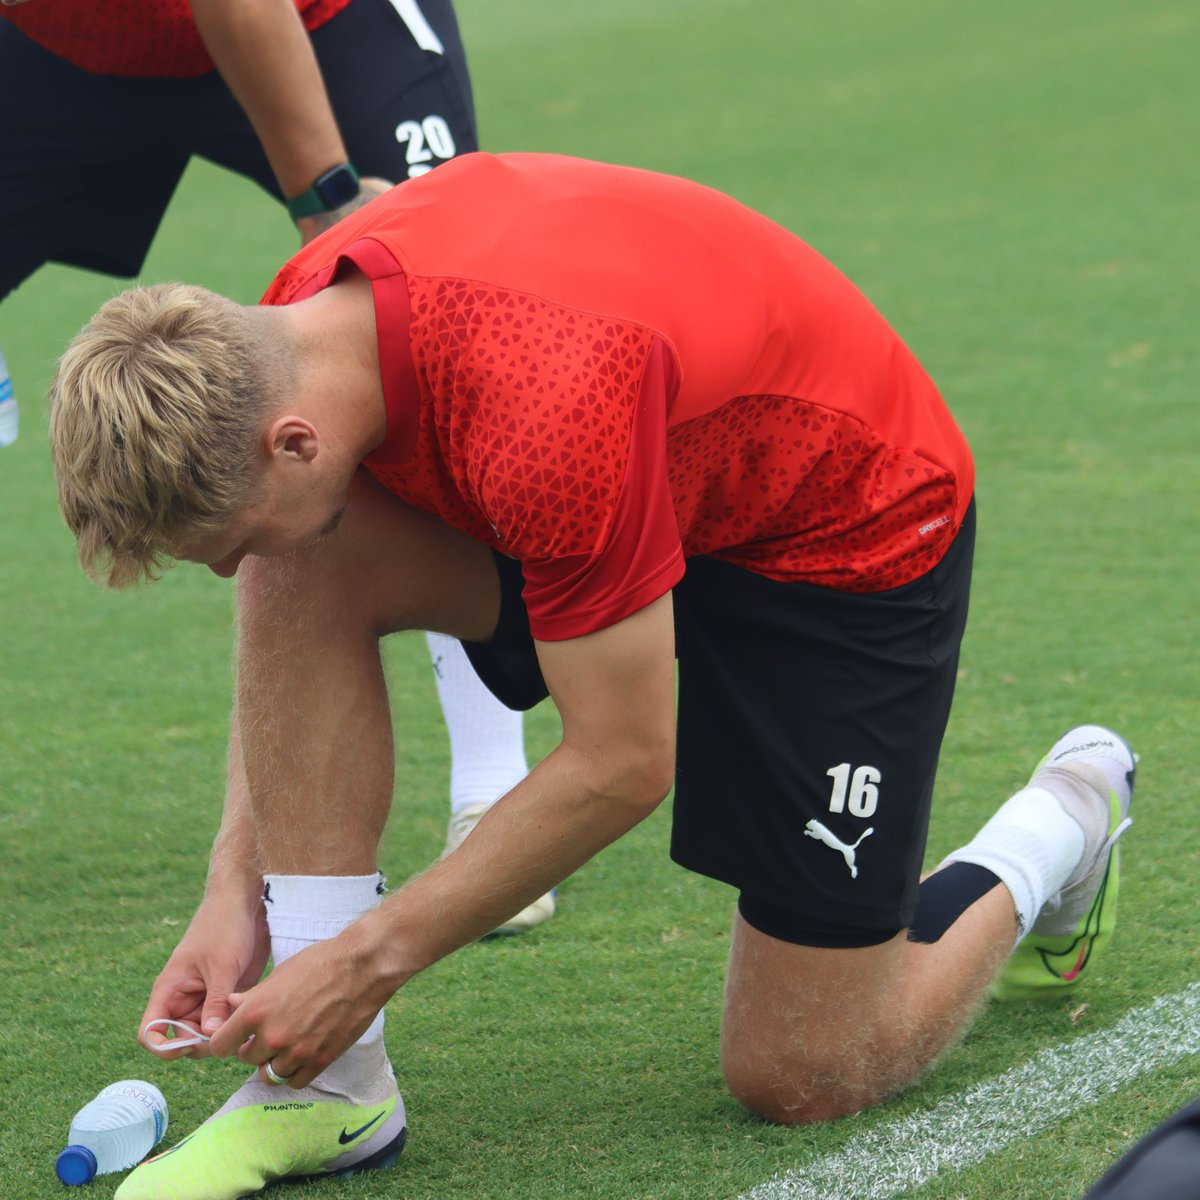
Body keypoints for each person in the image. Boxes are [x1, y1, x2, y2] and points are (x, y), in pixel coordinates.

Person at [49, 152, 1136, 1200]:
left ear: (291, 443)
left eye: (228, 538)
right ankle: (330, 1090)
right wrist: (236, 888)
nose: (233, 568)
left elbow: (621, 760)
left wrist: (360, 961)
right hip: (647, 479)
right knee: (301, 568)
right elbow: (284, 576)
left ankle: (1066, 821)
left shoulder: (541, 408)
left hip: (840, 540)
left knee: (804, 1074)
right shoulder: (287, 329)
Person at [0, 0, 551, 931]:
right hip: (66, 41)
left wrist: (327, 195)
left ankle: (494, 784)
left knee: (439, 305)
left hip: (325, 19)